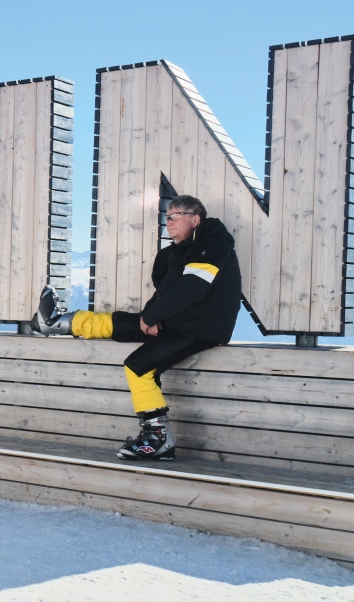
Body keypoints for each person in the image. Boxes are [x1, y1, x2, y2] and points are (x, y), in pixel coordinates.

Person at [30, 195, 241, 461]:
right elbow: (167, 293)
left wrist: (153, 316)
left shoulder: (212, 245)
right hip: (178, 320)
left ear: (196, 219)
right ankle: (56, 323)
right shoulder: (176, 252)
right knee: (119, 323)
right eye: (168, 215)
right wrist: (151, 316)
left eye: (177, 215)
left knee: (139, 366)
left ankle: (158, 439)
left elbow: (192, 289)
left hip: (200, 327)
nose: (170, 220)